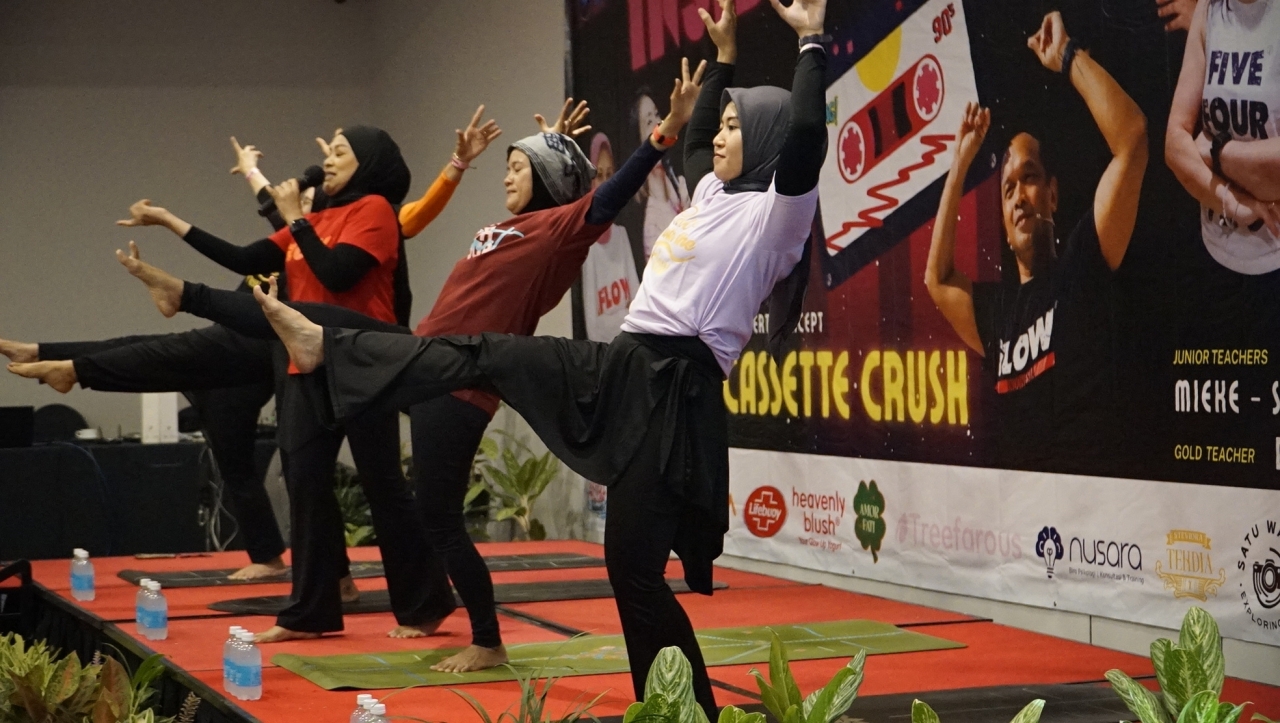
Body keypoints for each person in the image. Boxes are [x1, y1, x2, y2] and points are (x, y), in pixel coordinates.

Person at [194, 0, 826, 714]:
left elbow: (806, 133)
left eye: (739, 126)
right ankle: (327, 345)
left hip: (675, 393)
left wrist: (809, 40)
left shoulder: (777, 215)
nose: (721, 135)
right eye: (726, 122)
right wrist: (724, 61)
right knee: (484, 353)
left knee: (635, 574)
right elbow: (695, 141)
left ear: (766, 140)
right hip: (623, 365)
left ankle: (691, 711)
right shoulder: (712, 191)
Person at [98, 82, 700, 673]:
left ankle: (487, 641)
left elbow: (606, 196)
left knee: (437, 516)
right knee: (311, 321)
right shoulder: (522, 225)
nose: (507, 176)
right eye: (508, 166)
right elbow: (563, 185)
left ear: (547, 179)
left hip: (460, 377)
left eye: (519, 168)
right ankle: (186, 295)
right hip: (423, 354)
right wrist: (554, 147)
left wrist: (663, 133)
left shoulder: (559, 232)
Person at [924, 11, 1148, 472]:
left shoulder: (1085, 261)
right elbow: (937, 279)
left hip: (1095, 508)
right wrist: (959, 166)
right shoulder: (996, 315)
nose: (1019, 197)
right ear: (1005, 227)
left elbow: (1132, 140)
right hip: (1024, 511)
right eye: (1008, 189)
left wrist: (1067, 56)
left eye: (1029, 178)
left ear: (1052, 194)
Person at [1164, 0, 1280, 345]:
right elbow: (1174, 144)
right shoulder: (1209, 10)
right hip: (1214, 257)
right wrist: (1232, 202)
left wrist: (1216, 151)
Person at [582, 133, 641, 342]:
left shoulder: (621, 235)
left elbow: (637, 305)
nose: (605, 183)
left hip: (630, 348)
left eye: (610, 175)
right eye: (599, 175)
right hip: (606, 354)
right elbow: (593, 325)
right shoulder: (586, 245)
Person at [632, 90, 690, 260]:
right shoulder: (651, 225)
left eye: (657, 114)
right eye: (649, 121)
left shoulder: (678, 183)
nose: (659, 123)